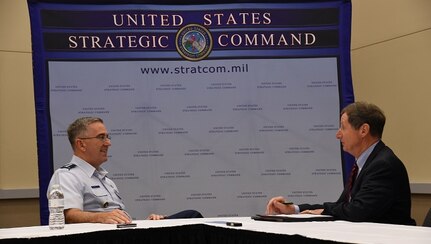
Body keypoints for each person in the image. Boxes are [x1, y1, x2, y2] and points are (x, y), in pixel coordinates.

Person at [266, 101, 416, 225]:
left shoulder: (383, 165)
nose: (338, 134)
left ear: (363, 130)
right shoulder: (366, 163)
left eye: (343, 127)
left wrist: (324, 211)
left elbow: (358, 211)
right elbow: (342, 206)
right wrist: (294, 209)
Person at [47, 117, 202, 224]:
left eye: (108, 137)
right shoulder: (67, 175)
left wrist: (146, 223)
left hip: (124, 233)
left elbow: (117, 217)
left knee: (189, 220)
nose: (108, 143)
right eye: (101, 137)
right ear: (81, 144)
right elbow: (68, 216)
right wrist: (101, 218)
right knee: (192, 216)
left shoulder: (105, 179)